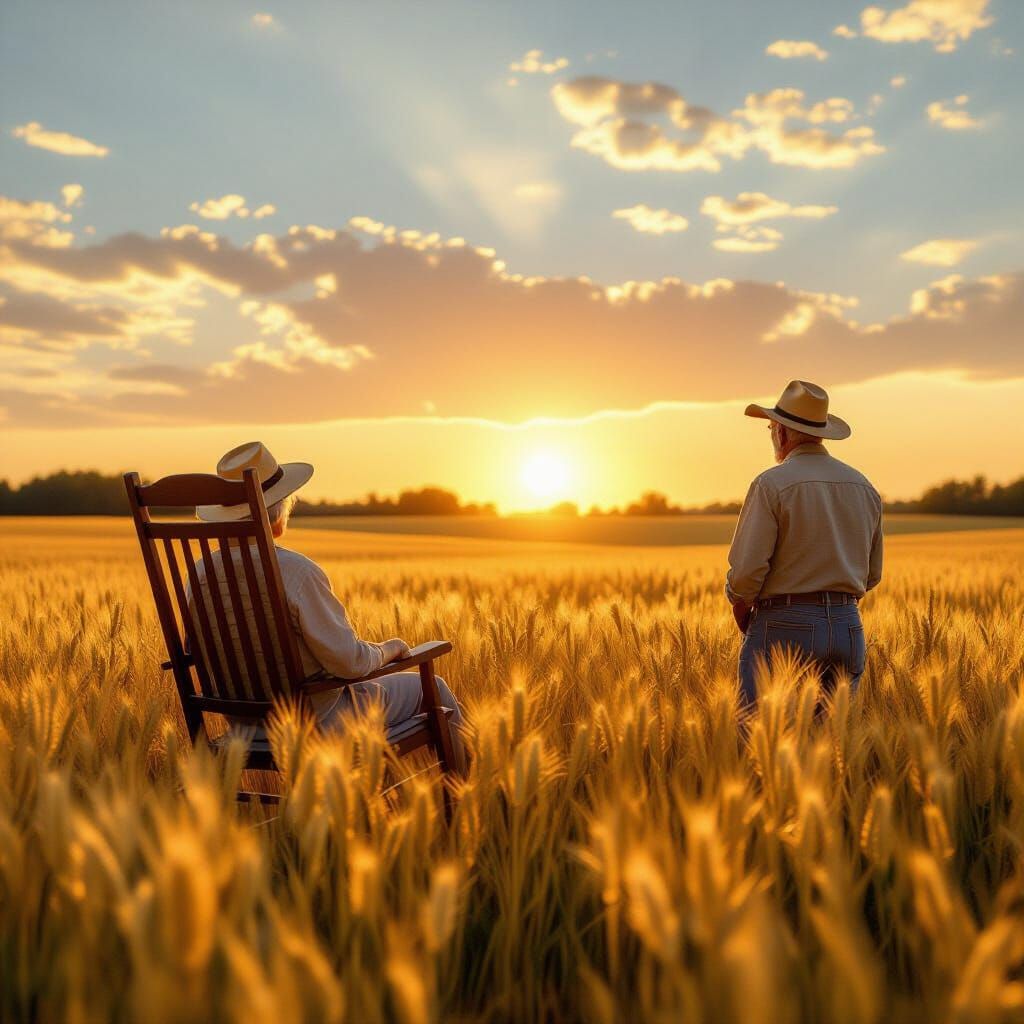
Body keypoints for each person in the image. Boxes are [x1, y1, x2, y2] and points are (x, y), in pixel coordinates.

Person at [187, 441, 466, 767]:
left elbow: (197, 649)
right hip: (317, 725)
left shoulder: (199, 572)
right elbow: (348, 664)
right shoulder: (297, 572)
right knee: (433, 686)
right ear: (277, 515)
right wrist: (390, 648)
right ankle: (467, 804)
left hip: (243, 729)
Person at [726, 381, 883, 708]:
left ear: (781, 433)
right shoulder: (863, 485)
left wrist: (742, 606)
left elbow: (745, 574)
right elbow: (871, 576)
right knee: (830, 747)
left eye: (770, 427)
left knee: (759, 739)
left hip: (785, 623)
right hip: (848, 626)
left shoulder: (771, 483)